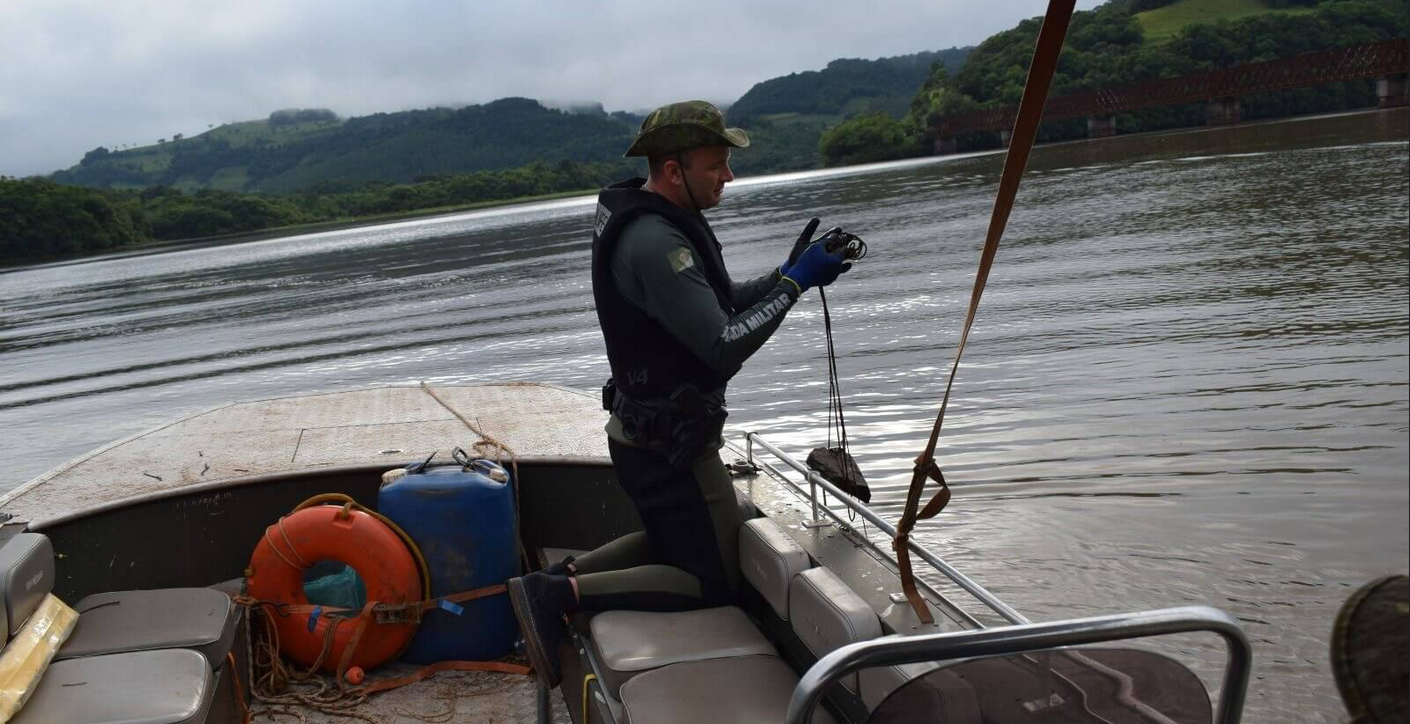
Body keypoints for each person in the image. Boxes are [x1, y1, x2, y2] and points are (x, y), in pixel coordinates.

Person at [507, 100, 852, 685]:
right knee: (708, 580)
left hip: (647, 434)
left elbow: (719, 304)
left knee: (673, 539)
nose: (728, 176)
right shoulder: (652, 243)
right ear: (673, 170)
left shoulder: (657, 221)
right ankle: (559, 594)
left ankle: (555, 578)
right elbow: (721, 344)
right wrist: (796, 285)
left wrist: (785, 271)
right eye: (716, 164)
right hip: (669, 447)